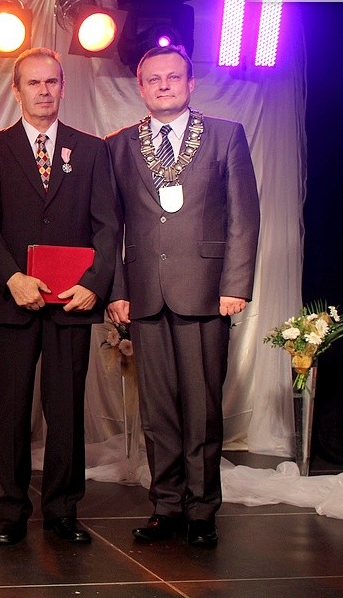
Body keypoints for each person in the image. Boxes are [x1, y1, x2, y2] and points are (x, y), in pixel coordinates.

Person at [105, 45, 260, 548]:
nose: (164, 85)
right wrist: (117, 290)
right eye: (153, 79)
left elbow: (244, 217)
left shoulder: (226, 135)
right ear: (141, 87)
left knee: (202, 408)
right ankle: (166, 506)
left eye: (173, 77)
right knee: (157, 412)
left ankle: (202, 509)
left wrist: (235, 285)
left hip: (207, 292)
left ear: (191, 84)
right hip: (145, 294)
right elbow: (111, 226)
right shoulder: (119, 145)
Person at [0, 48, 118, 546]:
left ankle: (62, 510)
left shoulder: (91, 150)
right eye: (33, 83)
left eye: (51, 81)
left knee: (66, 410)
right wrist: (13, 278)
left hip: (71, 303)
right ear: (16, 90)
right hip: (12, 302)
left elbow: (107, 227)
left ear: (63, 87)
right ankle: (12, 509)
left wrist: (94, 284)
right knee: (11, 411)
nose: (43, 90)